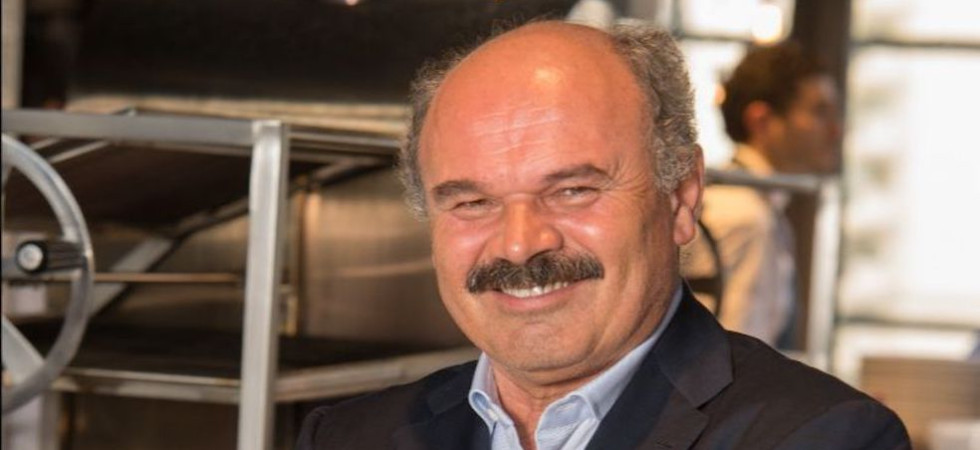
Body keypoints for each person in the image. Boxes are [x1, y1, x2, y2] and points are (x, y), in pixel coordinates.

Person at [296, 21, 908, 449]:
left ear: (681, 198)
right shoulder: (346, 438)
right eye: (473, 202)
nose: (519, 244)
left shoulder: (825, 438)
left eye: (572, 190)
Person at [687, 42, 843, 347]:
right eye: (819, 112)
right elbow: (736, 354)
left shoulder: (739, 202)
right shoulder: (747, 217)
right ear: (761, 121)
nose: (835, 130)